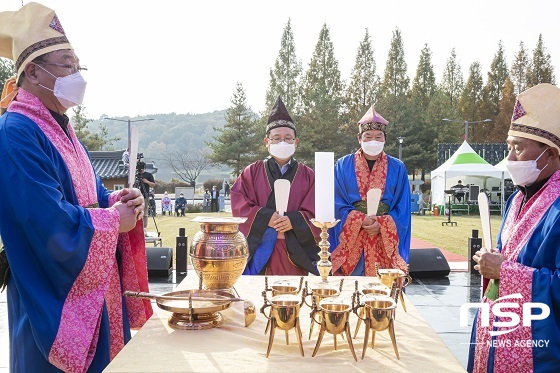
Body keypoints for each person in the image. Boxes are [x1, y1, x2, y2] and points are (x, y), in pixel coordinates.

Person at [0, 3, 152, 372]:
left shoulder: (64, 130)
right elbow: (42, 222)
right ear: (33, 72)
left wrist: (121, 201)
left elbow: (92, 198)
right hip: (54, 293)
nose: (76, 75)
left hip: (93, 285)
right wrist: (111, 221)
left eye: (77, 65)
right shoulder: (16, 132)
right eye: (67, 65)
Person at [469, 83, 560, 372]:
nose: (510, 159)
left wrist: (505, 272)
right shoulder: (518, 198)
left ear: (552, 153)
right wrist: (492, 263)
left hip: (540, 345)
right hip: (498, 327)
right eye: (509, 147)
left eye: (518, 148)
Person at [231, 96, 320, 275]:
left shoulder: (309, 175)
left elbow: (317, 211)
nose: (282, 142)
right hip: (261, 247)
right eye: (276, 138)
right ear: (267, 142)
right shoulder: (252, 172)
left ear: (296, 142)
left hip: (294, 249)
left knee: (292, 295)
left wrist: (293, 221)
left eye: (288, 138)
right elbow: (239, 204)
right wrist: (265, 217)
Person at [329, 104, 411, 276]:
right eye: (368, 136)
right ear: (359, 138)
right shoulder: (342, 165)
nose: (373, 141)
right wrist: (359, 220)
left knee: (384, 289)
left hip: (383, 237)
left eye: (378, 136)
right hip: (353, 238)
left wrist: (382, 224)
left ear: (385, 139)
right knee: (350, 288)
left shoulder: (398, 167)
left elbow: (402, 208)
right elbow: (336, 202)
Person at [136, 161, 155, 228]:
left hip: (144, 196)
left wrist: (146, 181)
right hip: (136, 197)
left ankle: (144, 228)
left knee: (145, 212)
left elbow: (153, 185)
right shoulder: (135, 175)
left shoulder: (148, 175)